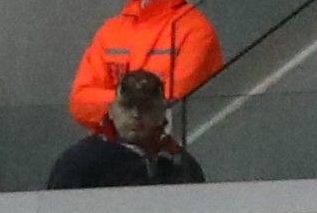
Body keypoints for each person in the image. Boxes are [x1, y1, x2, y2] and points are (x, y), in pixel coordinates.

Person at [67, 0, 224, 129]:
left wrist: (115, 101)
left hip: (169, 150)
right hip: (112, 149)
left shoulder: (195, 30)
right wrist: (136, 100)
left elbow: (173, 104)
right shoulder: (111, 30)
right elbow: (80, 102)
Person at [46, 70, 204, 187]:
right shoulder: (79, 162)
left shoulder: (179, 162)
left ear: (162, 112)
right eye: (127, 106)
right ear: (111, 110)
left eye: (146, 107)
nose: (136, 114)